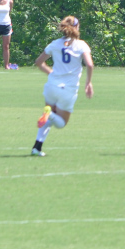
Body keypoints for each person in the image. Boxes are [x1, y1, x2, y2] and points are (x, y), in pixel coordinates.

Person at [30, 16, 94, 157]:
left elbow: (39, 62)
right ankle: (50, 115)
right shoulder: (81, 45)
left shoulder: (54, 44)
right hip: (68, 89)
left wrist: (51, 73)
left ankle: (36, 148)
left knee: (48, 119)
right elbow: (89, 64)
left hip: (51, 86)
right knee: (61, 123)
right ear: (76, 27)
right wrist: (88, 83)